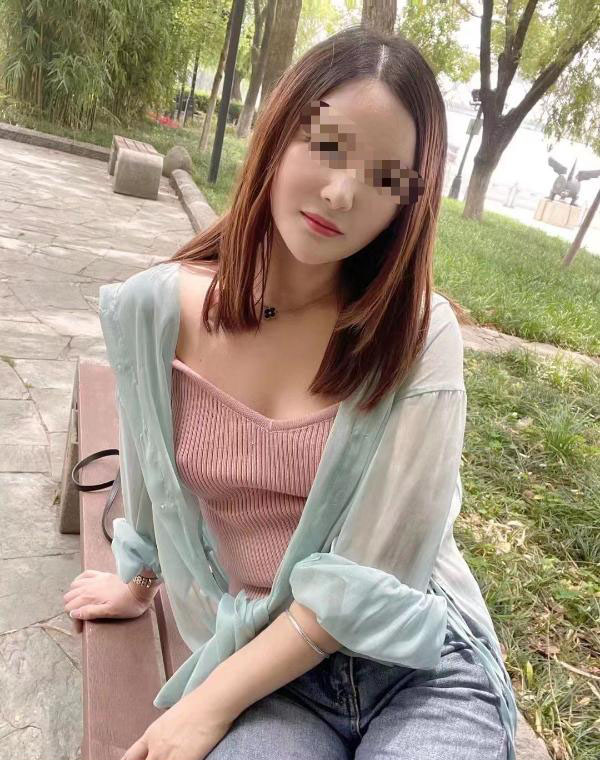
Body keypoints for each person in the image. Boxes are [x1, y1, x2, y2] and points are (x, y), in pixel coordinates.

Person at [63, 24, 518, 760]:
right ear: (278, 132)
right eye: (328, 145)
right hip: (270, 669)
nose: (341, 192)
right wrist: (138, 580)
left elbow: (374, 575)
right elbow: (152, 472)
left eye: (384, 178)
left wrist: (206, 704)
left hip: (417, 664)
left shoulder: (416, 334)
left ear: (407, 203)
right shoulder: (155, 310)